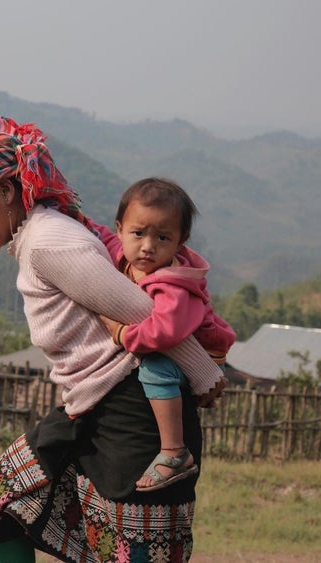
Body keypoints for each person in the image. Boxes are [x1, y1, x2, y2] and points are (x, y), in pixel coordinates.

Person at [0, 117, 226, 562]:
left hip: (136, 417)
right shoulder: (40, 237)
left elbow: (141, 312)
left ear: (4, 191)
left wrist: (205, 373)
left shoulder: (48, 242)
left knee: (133, 552)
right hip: (91, 408)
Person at [111, 177, 236, 492]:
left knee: (155, 369)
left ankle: (174, 452)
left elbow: (163, 334)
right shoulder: (127, 256)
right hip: (180, 351)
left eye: (163, 237)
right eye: (138, 233)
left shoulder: (172, 284)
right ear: (120, 229)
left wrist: (123, 334)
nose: (148, 246)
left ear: (181, 243)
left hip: (203, 359)